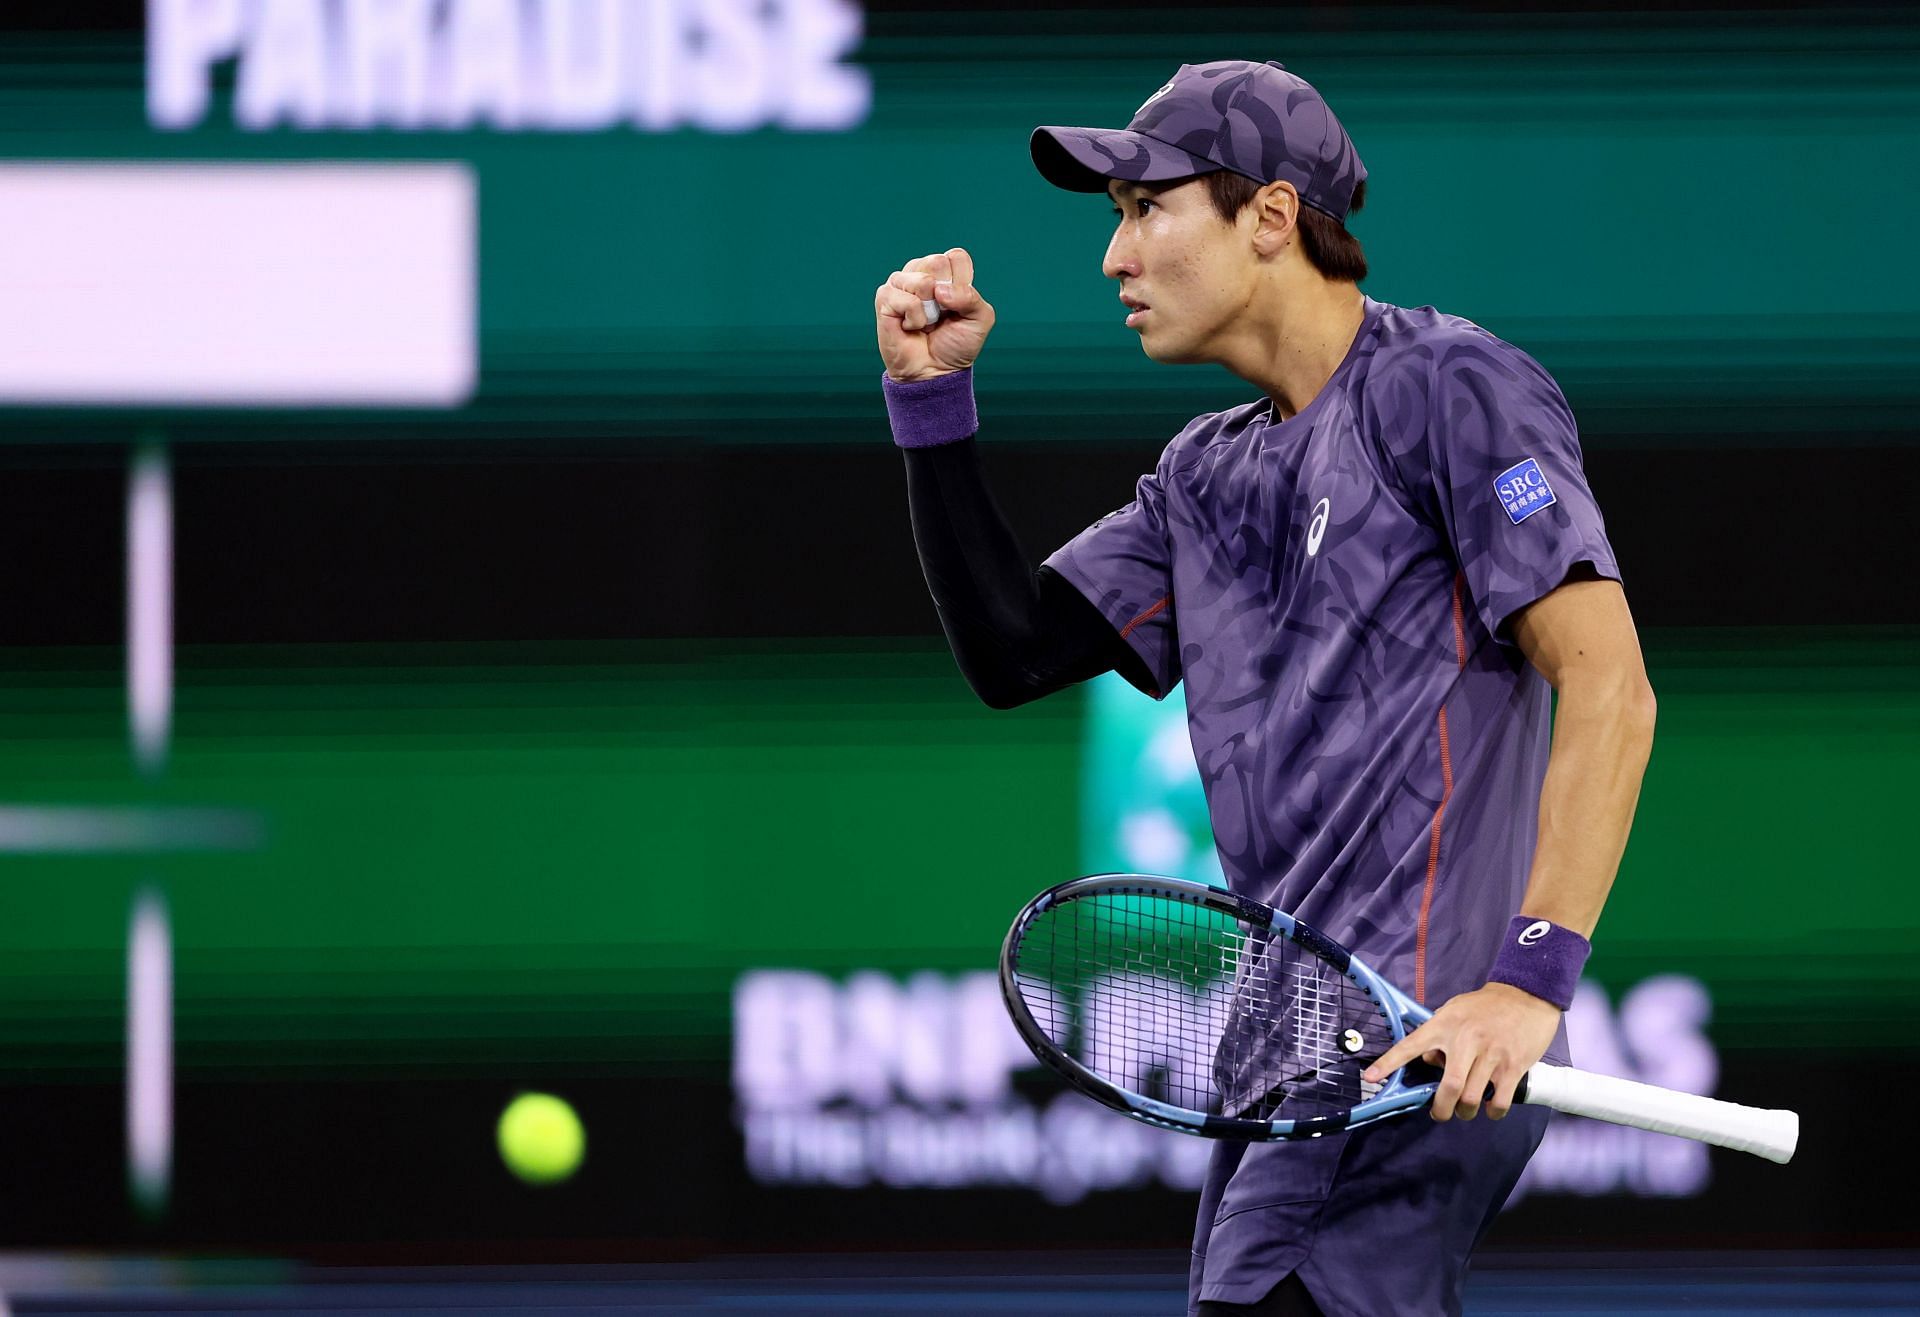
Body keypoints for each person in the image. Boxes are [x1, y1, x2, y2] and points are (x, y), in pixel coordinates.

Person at [871, 59, 1657, 1317]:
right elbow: (1013, 653)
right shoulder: (1203, 477)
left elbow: (1609, 686)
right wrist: (930, 405)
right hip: (1282, 1057)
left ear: (1272, 218)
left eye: (1146, 210)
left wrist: (1526, 985)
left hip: (1410, 1052)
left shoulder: (1448, 390)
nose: (1115, 257)